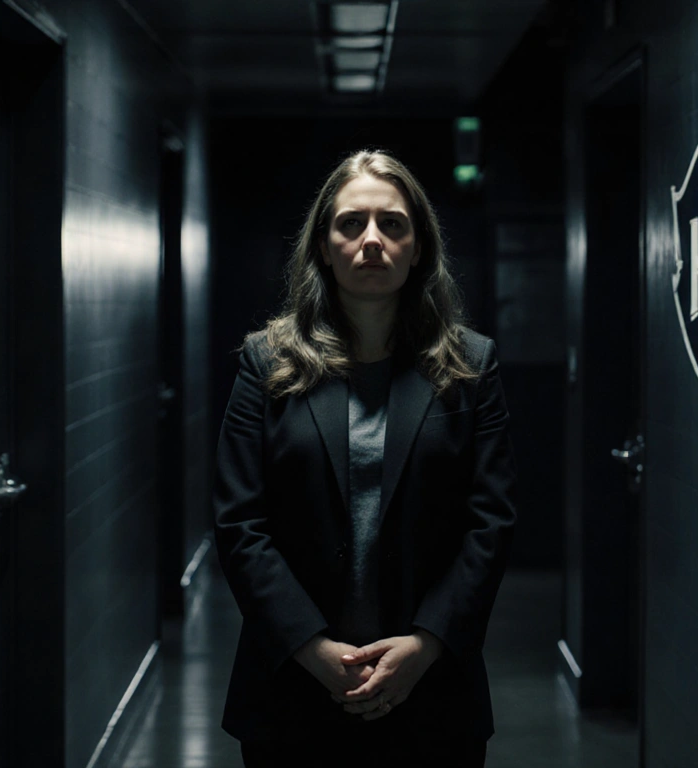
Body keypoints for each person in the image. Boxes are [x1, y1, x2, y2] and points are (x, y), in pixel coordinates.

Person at [212, 149, 518, 767]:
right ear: (323, 245)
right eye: (351, 224)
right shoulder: (264, 363)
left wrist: (425, 646)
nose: (371, 240)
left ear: (419, 247)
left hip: (431, 695)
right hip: (291, 695)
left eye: (392, 224)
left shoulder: (471, 366)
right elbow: (240, 525)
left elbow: (491, 523)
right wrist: (315, 651)